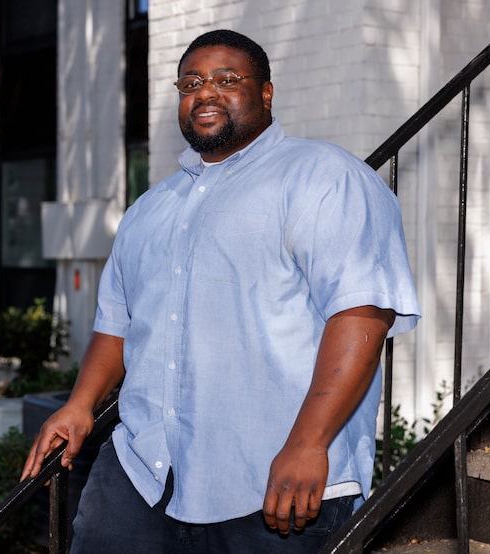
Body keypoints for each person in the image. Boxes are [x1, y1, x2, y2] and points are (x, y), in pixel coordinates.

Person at [22, 29, 420, 553]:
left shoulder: (324, 178)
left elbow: (361, 314)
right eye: (190, 83)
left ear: (267, 92)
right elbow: (117, 325)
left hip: (271, 481)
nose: (205, 92)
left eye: (227, 79)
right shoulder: (148, 211)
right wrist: (79, 405)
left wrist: (309, 442)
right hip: (140, 478)